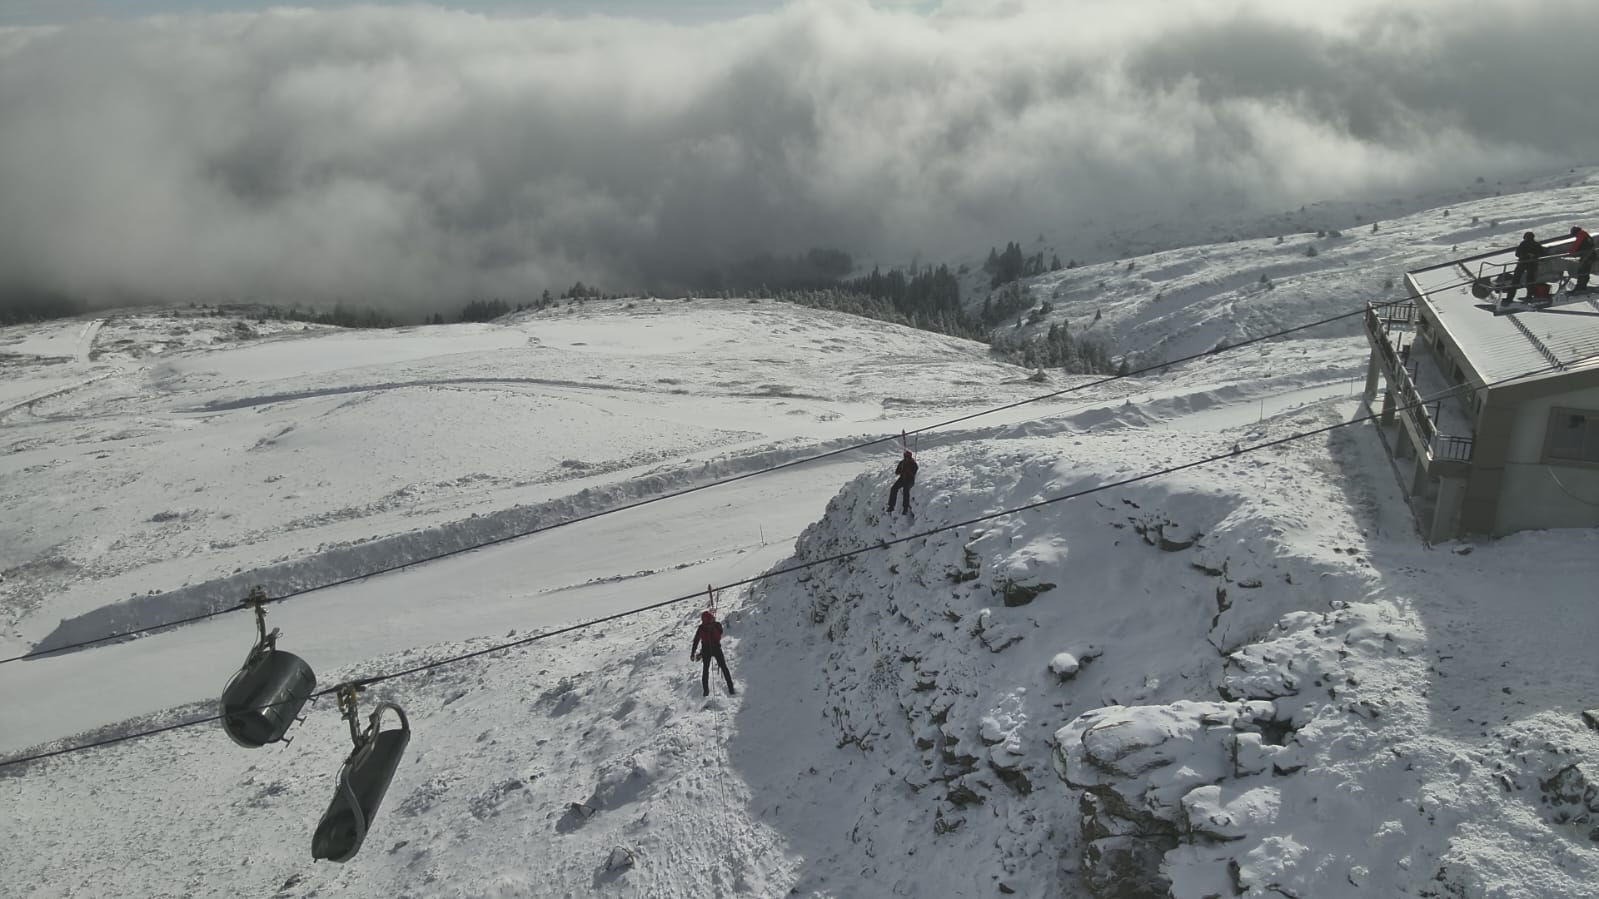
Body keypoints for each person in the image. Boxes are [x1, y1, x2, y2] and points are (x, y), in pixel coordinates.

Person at [691, 610, 734, 697]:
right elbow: (720, 633)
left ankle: (705, 691)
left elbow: (696, 640)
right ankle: (731, 689)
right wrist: (714, 627)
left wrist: (693, 652)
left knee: (706, 670)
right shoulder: (716, 625)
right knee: (724, 668)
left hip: (706, 650)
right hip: (716, 649)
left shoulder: (701, 628)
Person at [1504, 231, 1547, 305]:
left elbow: (1517, 254)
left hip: (1522, 264)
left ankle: (1509, 298)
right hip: (1533, 265)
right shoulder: (1537, 245)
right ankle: (1529, 296)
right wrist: (1534, 255)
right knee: (1530, 281)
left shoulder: (1523, 244)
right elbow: (1543, 254)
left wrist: (1525, 255)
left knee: (1515, 281)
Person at [887, 450, 918, 515]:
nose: (906, 458)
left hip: (910, 479)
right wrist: (902, 470)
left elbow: (913, 474)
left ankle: (905, 507)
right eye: (905, 456)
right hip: (902, 478)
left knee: (906, 490)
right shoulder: (902, 463)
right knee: (894, 488)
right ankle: (891, 506)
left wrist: (908, 470)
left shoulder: (914, 464)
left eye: (907, 457)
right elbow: (897, 472)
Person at [1568, 225, 1595, 292]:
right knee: (1584, 271)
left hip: (1588, 256)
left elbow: (1575, 246)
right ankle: (1582, 286)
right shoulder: (1585, 234)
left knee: (1583, 271)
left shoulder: (1581, 235)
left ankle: (1581, 287)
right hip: (1589, 255)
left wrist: (1570, 253)